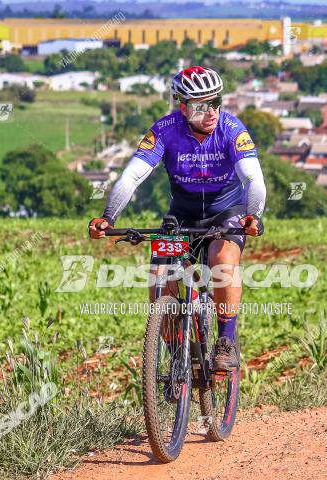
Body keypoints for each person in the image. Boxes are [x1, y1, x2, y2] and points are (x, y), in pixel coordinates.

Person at [88, 66, 267, 372]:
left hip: (225, 212)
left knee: (222, 260)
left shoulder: (232, 130)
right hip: (182, 213)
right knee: (161, 281)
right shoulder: (165, 130)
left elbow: (253, 179)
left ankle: (226, 340)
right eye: (201, 105)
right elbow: (132, 176)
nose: (211, 112)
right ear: (183, 107)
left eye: (216, 102)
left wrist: (254, 216)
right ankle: (177, 358)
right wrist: (108, 216)